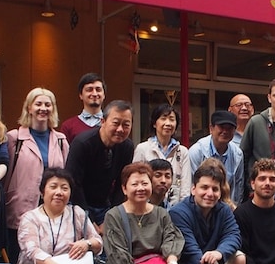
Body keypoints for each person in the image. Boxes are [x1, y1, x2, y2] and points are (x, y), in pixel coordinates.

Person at [169, 162, 248, 264]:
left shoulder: (223, 210)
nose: (210, 193)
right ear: (193, 189)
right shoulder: (178, 213)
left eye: (215, 189)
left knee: (239, 258)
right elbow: (191, 252)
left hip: (208, 262)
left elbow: (234, 235)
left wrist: (220, 252)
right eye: (204, 187)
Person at [4, 87, 69, 264]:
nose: (43, 108)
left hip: (52, 211)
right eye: (38, 104)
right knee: (19, 261)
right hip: (20, 208)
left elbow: (66, 175)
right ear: (29, 108)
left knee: (49, 261)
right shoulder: (14, 138)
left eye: (48, 104)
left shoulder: (61, 140)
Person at [65, 99, 135, 227]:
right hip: (78, 204)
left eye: (126, 125)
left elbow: (121, 183)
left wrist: (111, 216)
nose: (120, 129)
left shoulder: (127, 147)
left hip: (106, 205)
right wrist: (89, 220)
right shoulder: (82, 143)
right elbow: (74, 183)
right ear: (103, 121)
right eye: (115, 123)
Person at [133, 104, 192, 204]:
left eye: (172, 119)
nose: (168, 123)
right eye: (163, 118)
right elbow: (136, 179)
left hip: (175, 207)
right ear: (154, 123)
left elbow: (185, 186)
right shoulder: (142, 149)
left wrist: (182, 209)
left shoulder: (182, 151)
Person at [188, 110, 246, 205]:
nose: (225, 131)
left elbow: (238, 188)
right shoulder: (197, 151)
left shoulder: (237, 154)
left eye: (229, 128)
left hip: (227, 207)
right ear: (211, 128)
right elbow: (191, 184)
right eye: (221, 127)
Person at [59, 73, 106, 144]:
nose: (94, 94)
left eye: (98, 90)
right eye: (89, 90)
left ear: (104, 95)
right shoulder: (68, 126)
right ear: (81, 95)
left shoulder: (111, 124)